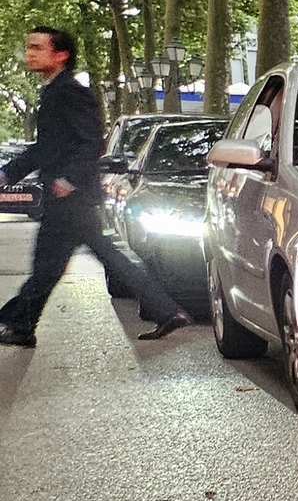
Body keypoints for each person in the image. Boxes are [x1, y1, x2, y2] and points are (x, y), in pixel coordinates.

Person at [0, 28, 190, 346]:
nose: (30, 53)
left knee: (68, 262)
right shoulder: (53, 91)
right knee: (61, 263)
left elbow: (91, 141)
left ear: (60, 54)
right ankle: (20, 323)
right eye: (28, 47)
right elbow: (45, 148)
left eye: (37, 47)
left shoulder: (70, 91)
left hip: (71, 197)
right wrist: (7, 173)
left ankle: (17, 321)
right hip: (68, 198)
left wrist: (68, 180)